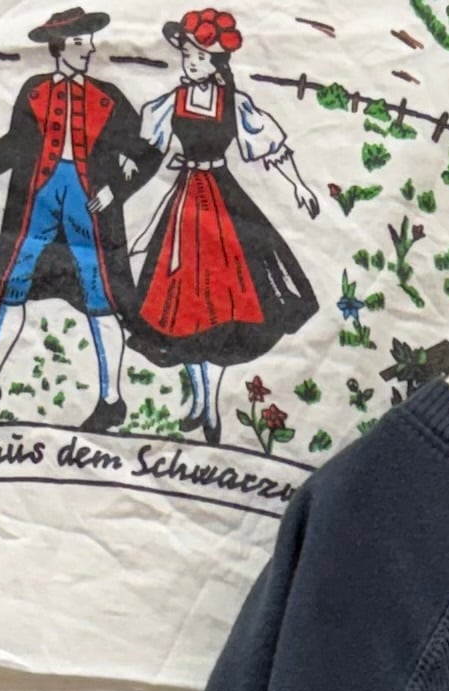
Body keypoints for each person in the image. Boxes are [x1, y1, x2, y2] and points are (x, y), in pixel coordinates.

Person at [0, 7, 158, 434]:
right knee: (11, 288)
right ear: (58, 48)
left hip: (89, 205)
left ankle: (111, 400)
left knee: (100, 296)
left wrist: (115, 190)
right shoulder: (35, 91)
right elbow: (17, 143)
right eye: (79, 42)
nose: (89, 49)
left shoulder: (109, 98)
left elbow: (146, 152)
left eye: (89, 41)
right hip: (36, 200)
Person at [125, 9, 321, 444]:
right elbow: (147, 147)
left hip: (221, 202)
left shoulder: (234, 104)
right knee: (181, 306)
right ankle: (198, 401)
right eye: (187, 55)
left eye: (198, 56)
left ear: (216, 62)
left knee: (221, 303)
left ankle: (210, 404)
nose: (190, 62)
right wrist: (125, 168)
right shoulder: (171, 101)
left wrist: (299, 186)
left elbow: (270, 149)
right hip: (184, 205)